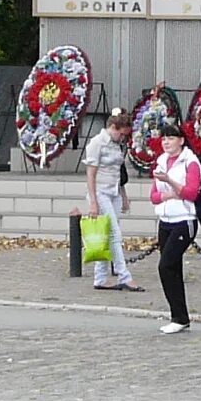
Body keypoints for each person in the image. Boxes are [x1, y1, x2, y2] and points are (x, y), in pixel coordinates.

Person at [149, 125, 201, 335]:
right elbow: (154, 195)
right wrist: (169, 194)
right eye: (164, 139)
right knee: (173, 270)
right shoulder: (161, 161)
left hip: (184, 220)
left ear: (181, 140)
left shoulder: (190, 162)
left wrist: (170, 182)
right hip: (165, 219)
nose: (166, 142)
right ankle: (180, 316)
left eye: (170, 138)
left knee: (166, 266)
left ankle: (178, 317)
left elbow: (190, 192)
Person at [82, 107, 135, 289]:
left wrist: (124, 196)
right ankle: (124, 275)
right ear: (112, 127)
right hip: (100, 192)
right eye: (121, 134)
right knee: (114, 234)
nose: (122, 138)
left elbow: (118, 172)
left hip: (113, 191)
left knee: (107, 234)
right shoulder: (97, 143)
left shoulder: (116, 145)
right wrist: (94, 202)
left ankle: (100, 278)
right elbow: (91, 174)